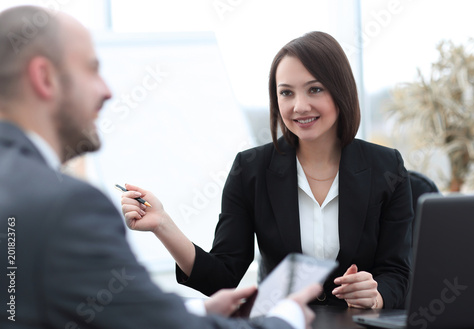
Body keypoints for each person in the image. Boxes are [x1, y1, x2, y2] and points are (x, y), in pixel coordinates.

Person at [0, 6, 321, 329]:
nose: (108, 91)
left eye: (314, 89)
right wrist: (286, 319)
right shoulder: (65, 205)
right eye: (92, 69)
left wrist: (197, 311)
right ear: (44, 77)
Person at [121, 32, 413, 309]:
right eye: (286, 93)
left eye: (315, 89)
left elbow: (398, 273)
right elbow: (222, 277)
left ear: (341, 91)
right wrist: (162, 224)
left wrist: (377, 293)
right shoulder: (250, 170)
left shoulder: (386, 167)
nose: (299, 106)